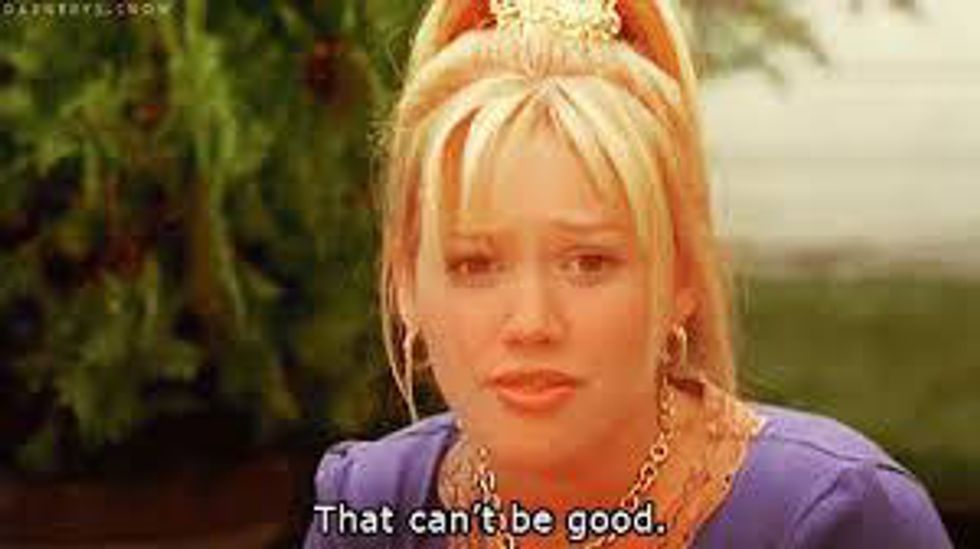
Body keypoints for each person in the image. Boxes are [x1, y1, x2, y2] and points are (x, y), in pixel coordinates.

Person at [304, 0, 953, 547]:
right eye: (476, 264)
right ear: (406, 284)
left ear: (681, 278)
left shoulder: (834, 519)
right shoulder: (372, 508)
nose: (531, 322)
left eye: (587, 263)